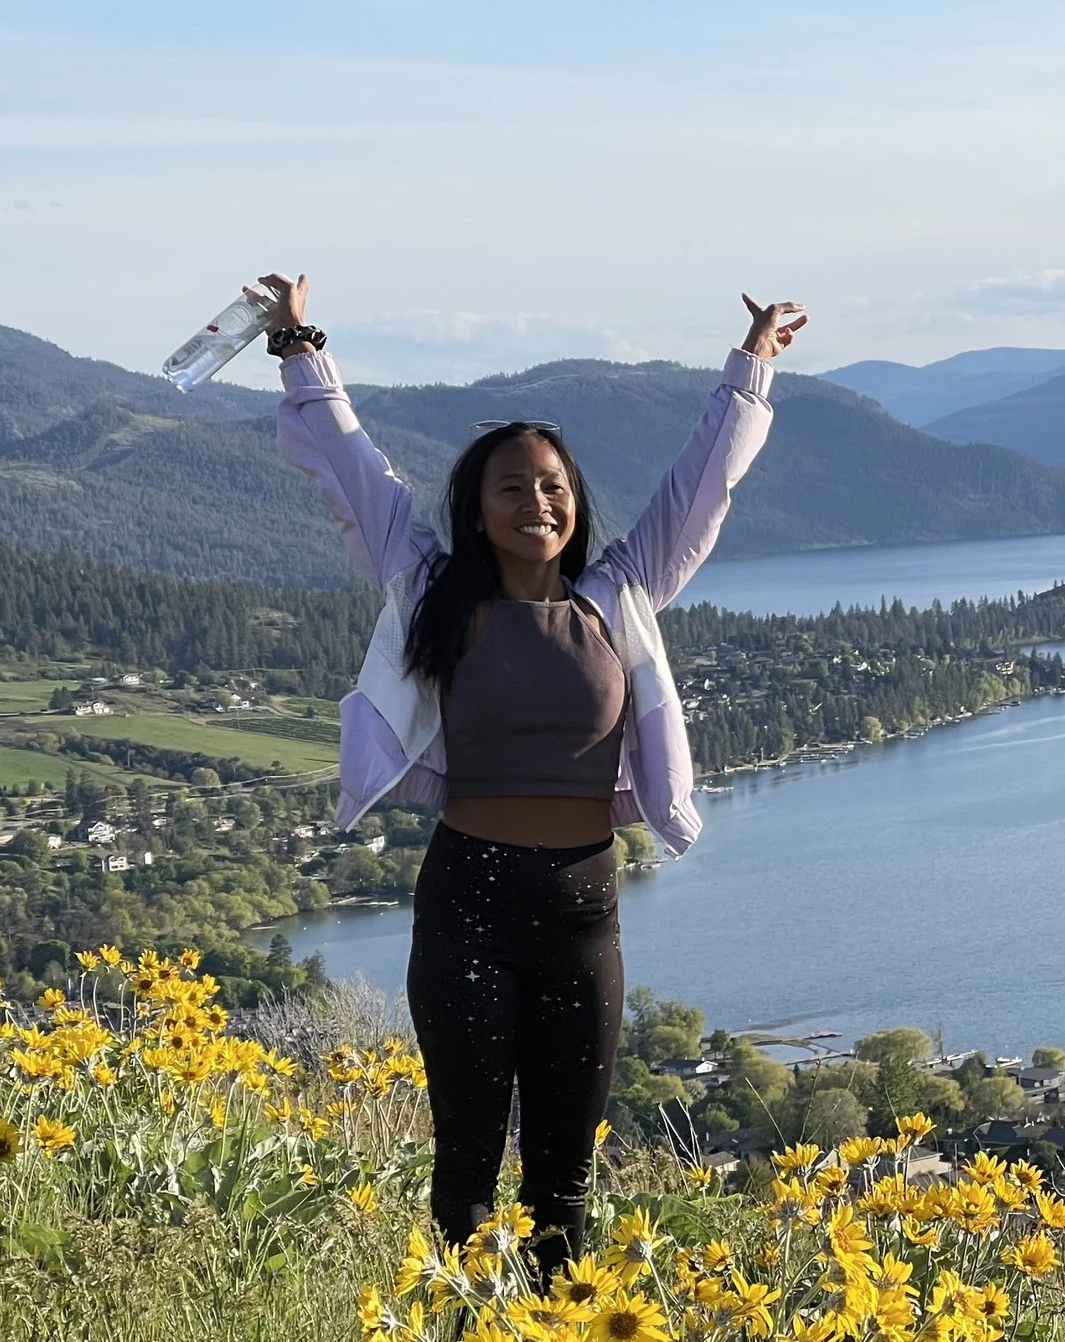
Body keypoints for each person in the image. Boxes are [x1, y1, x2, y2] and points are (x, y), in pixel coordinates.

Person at [266, 272, 805, 1276]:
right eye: (510, 487)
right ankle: (470, 1339)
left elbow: (701, 488)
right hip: (467, 899)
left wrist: (751, 370)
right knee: (467, 1164)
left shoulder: (620, 595)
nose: (536, 502)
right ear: (477, 511)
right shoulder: (431, 590)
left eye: (552, 486)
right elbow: (354, 472)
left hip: (583, 909)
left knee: (564, 1177)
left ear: (575, 505)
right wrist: (302, 349)